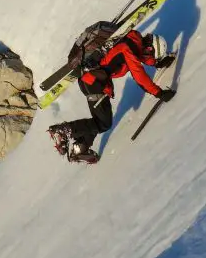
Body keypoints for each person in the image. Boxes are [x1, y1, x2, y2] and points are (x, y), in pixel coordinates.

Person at [49, 28, 175, 161]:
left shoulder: (132, 42)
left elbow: (140, 57)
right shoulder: (128, 48)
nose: (150, 58)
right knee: (104, 123)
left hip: (91, 81)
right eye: (152, 55)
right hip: (93, 82)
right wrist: (159, 93)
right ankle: (64, 131)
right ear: (149, 49)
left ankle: (80, 147)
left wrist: (157, 63)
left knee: (99, 120)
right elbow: (139, 76)